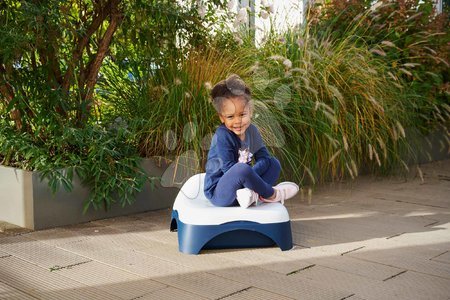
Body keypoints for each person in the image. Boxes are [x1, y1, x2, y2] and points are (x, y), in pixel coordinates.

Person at [204, 74, 299, 208]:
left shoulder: (252, 131)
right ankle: (271, 194)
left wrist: (250, 177)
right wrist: (249, 176)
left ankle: (252, 194)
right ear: (222, 118)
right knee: (241, 169)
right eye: (230, 117)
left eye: (242, 114)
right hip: (221, 192)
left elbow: (264, 158)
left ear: (251, 110)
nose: (237, 121)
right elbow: (229, 169)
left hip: (243, 190)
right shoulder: (222, 136)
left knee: (273, 163)